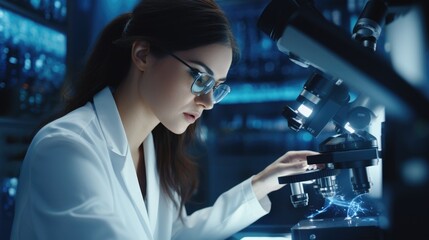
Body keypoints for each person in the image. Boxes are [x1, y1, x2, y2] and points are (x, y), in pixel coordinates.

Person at [11, 0, 319, 239]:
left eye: (216, 87)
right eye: (199, 78)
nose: (208, 102)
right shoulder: (66, 148)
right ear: (143, 55)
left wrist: (259, 184)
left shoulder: (153, 148)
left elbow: (172, 235)